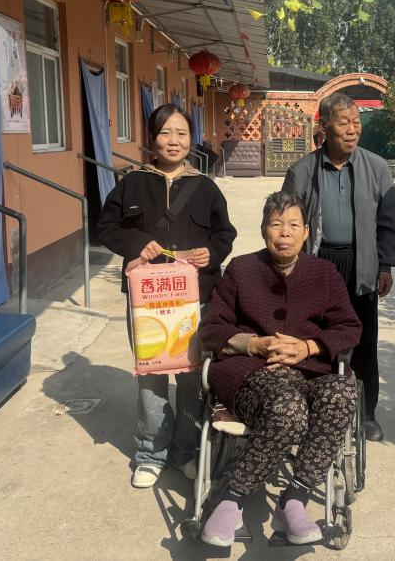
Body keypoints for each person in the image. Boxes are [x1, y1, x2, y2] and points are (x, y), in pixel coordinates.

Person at [198, 191, 361, 547]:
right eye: (276, 224)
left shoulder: (324, 273)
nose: (284, 233)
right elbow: (211, 328)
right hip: (252, 372)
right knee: (289, 409)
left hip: (312, 369)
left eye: (293, 225)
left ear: (306, 232)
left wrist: (309, 347)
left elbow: (349, 327)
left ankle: (294, 500)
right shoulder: (241, 269)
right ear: (263, 230)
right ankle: (231, 500)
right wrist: (254, 343)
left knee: (343, 393)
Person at [97, 103, 237, 489]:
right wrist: (136, 243)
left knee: (191, 376)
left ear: (190, 138)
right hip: (148, 301)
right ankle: (150, 452)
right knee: (152, 376)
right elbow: (106, 228)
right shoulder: (131, 184)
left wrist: (212, 252)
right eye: (165, 132)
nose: (173, 141)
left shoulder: (205, 188)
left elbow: (225, 233)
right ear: (151, 138)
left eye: (181, 133)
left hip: (195, 298)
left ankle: (185, 451)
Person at [282, 92, 395, 441]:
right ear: (324, 126)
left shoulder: (377, 168)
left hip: (362, 263)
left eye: (356, 123)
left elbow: (387, 223)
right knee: (316, 338)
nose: (352, 130)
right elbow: (287, 221)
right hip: (318, 264)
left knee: (363, 341)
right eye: (344, 123)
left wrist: (385, 264)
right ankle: (319, 409)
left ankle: (366, 414)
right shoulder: (302, 171)